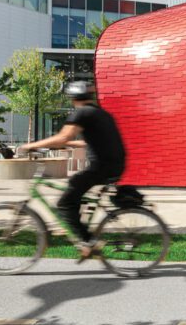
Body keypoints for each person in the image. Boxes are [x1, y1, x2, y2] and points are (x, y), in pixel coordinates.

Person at [19, 81, 126, 260]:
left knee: (65, 203)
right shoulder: (100, 113)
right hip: (113, 165)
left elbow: (63, 136)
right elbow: (87, 141)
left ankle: (88, 242)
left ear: (73, 98)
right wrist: (68, 143)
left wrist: (31, 146)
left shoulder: (82, 113)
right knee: (74, 191)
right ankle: (77, 228)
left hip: (101, 167)